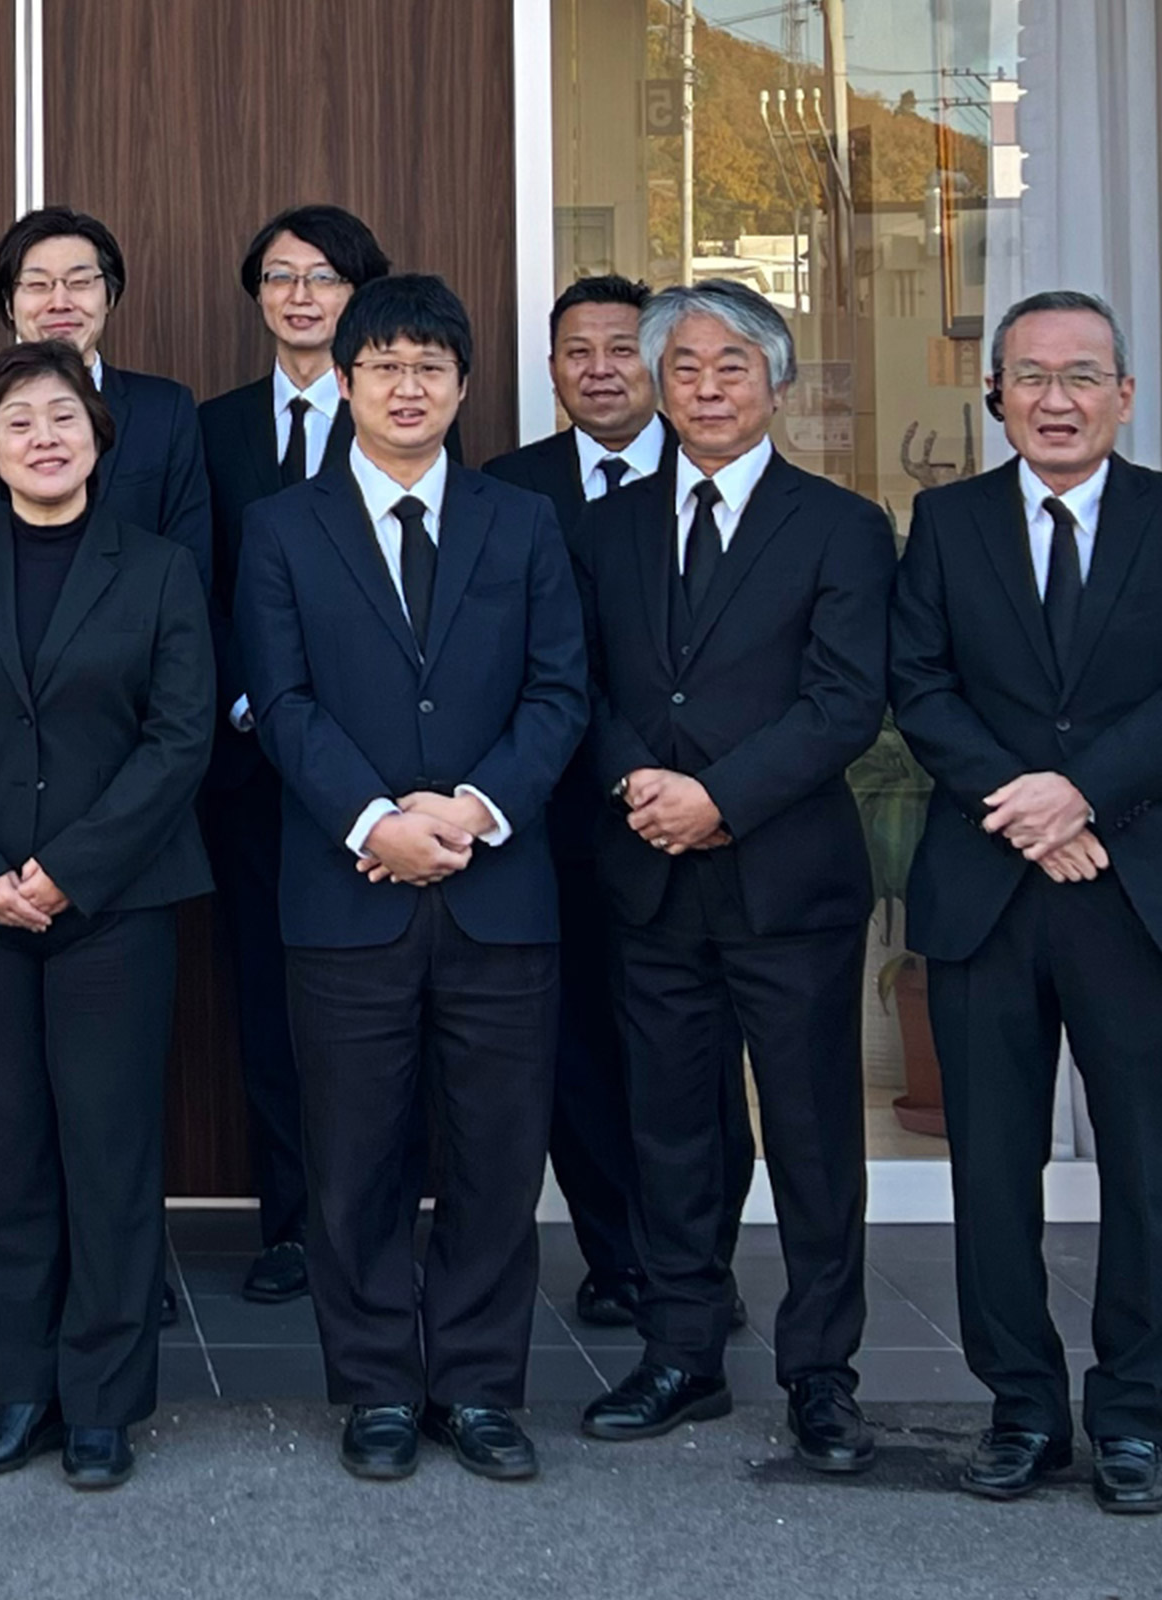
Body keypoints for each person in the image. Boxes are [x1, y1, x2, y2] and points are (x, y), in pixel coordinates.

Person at [896, 289, 1162, 1515]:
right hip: (992, 886)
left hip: (1138, 886)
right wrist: (1025, 808)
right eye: (1030, 376)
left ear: (1125, 395)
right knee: (992, 1169)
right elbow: (920, 686)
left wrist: (1080, 796)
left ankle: (1136, 1416)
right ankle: (1023, 1408)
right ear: (996, 394)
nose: (1055, 398)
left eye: (1082, 375)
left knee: (1147, 1166)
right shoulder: (945, 523)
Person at [235, 273, 586, 1485]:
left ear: (466, 385)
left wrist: (477, 809)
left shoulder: (522, 521)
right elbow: (278, 701)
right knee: (356, 1155)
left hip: (501, 892)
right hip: (348, 894)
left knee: (497, 1155)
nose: (407, 386)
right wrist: (376, 818)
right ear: (343, 382)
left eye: (431, 366)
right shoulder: (283, 528)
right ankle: (378, 1385)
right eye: (382, 364)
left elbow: (560, 693)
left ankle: (483, 1387)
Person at [565, 280, 893, 1475]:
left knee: (812, 1138)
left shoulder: (842, 525)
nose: (706, 387)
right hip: (649, 874)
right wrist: (642, 788)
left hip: (787, 881)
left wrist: (722, 798)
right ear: (662, 385)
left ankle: (821, 1374)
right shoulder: (602, 528)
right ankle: (681, 1354)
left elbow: (847, 701)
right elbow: (580, 687)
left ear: (777, 383)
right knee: (671, 1135)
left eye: (732, 366)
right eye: (686, 367)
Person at [0, 342, 213, 1491]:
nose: (42, 436)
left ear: (97, 436)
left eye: (62, 416)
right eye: (17, 420)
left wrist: (68, 868)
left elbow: (181, 740)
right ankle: (20, 1386)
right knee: (6, 1151)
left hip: (117, 906)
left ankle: (104, 1403)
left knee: (110, 1154)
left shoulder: (161, 568)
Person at [479, 273, 719, 1332]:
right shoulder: (506, 486)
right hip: (561, 823)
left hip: (700, 827)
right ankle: (615, 1254)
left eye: (623, 348)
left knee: (694, 1059)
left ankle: (696, 1263)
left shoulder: (709, 472)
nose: (600, 369)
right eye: (577, 351)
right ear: (551, 371)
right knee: (576, 1050)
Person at [192, 205, 387, 1305]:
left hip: (380, 776)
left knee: (375, 1002)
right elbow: (197, 585)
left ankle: (369, 1221)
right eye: (279, 276)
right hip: (251, 761)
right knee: (269, 1000)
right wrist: (252, 705)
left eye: (323, 277)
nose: (301, 295)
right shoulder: (211, 429)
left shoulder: (410, 421)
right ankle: (290, 1221)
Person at [0, 207, 208, 561]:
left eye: (80, 283)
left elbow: (191, 556)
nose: (60, 302)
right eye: (38, 284)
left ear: (111, 296)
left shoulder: (166, 409)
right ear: (9, 305)